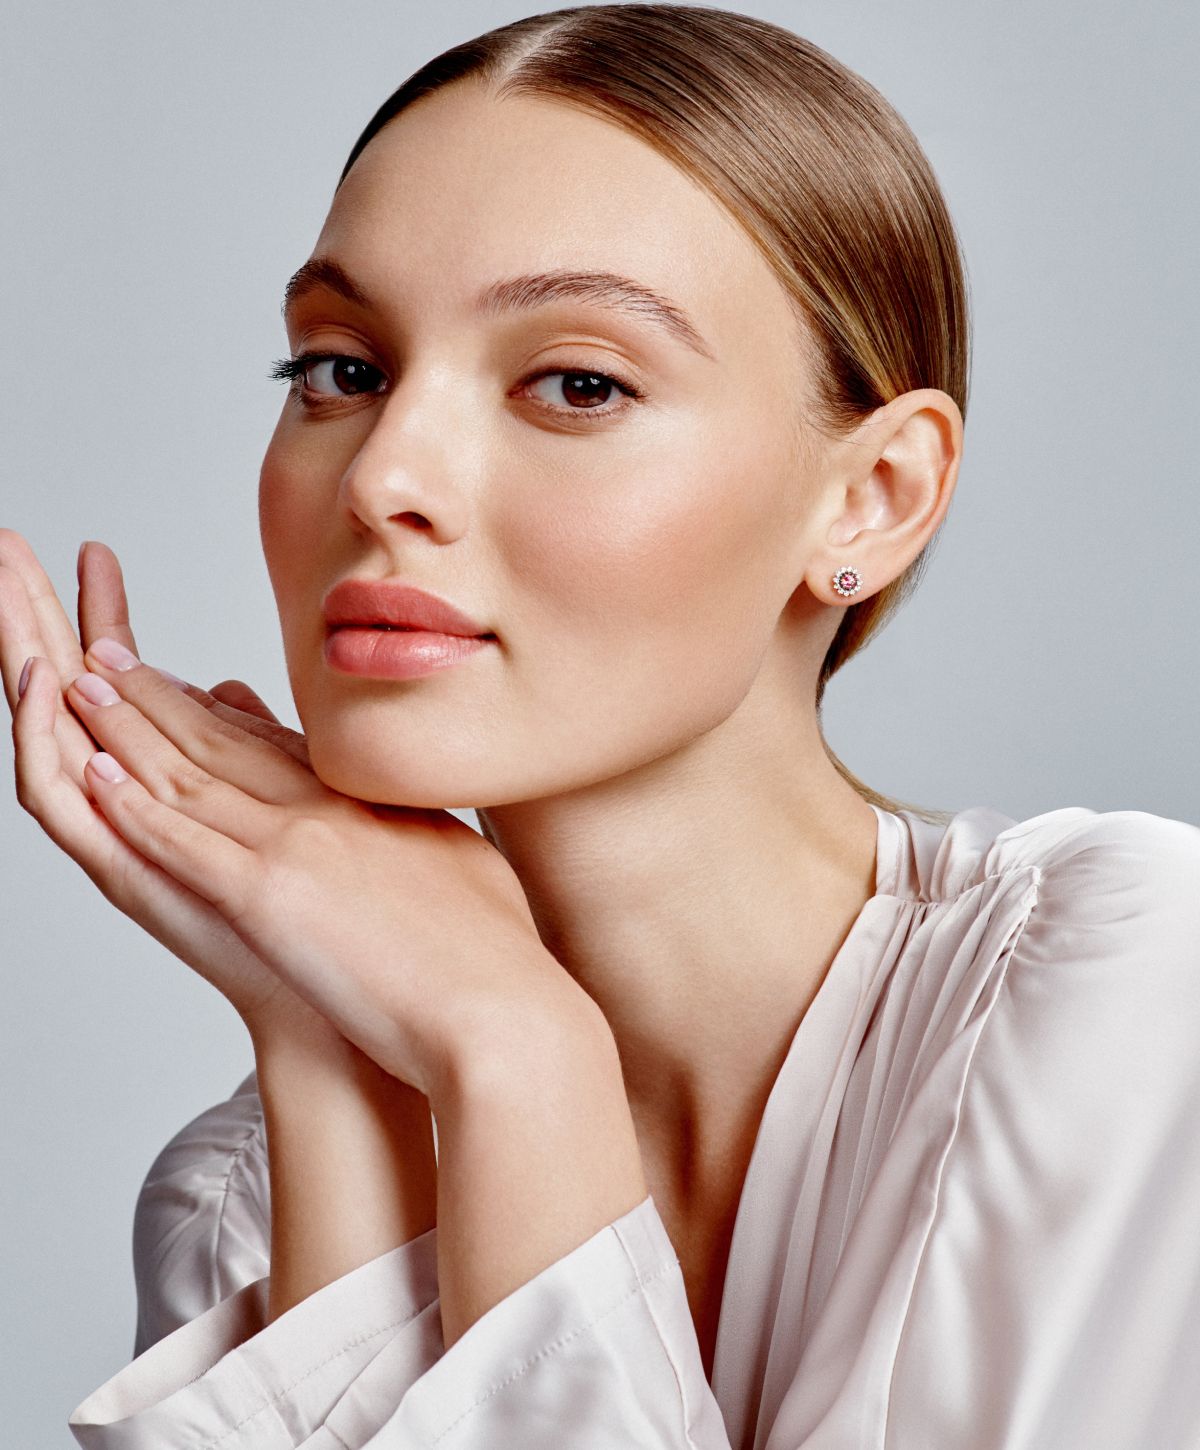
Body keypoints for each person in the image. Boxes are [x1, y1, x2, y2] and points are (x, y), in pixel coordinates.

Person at [1, 4, 1197, 1446]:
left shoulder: (1135, 1014)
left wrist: (517, 1050)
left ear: (868, 499)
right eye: (341, 368)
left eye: (578, 382)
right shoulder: (243, 1206)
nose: (385, 476)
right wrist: (330, 1061)